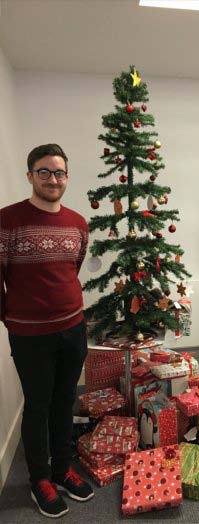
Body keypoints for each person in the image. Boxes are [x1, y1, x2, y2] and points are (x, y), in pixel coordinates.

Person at [0, 144, 94, 518]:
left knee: (64, 400)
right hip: (30, 335)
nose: (53, 179)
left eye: (59, 173)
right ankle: (40, 478)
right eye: (44, 172)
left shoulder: (77, 223)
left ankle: (62, 469)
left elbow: (73, 267)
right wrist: (11, 318)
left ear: (67, 178)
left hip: (73, 328)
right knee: (37, 405)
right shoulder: (8, 221)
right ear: (30, 176)